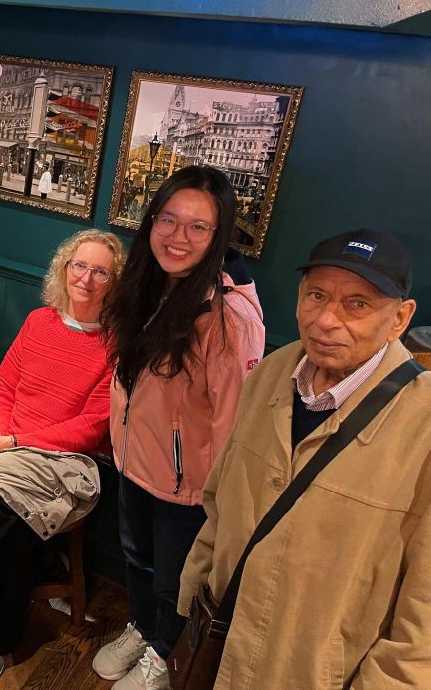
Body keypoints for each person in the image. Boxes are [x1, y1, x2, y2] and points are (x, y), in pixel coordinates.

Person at [179, 229, 429, 688]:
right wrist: (195, 588)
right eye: (317, 295)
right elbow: (221, 499)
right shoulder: (272, 372)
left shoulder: (424, 424)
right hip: (222, 641)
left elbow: (423, 620)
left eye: (357, 304)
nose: (326, 320)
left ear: (400, 318)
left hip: (311, 673)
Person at [92, 166, 265, 690]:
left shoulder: (230, 318)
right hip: (133, 463)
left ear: (219, 236)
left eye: (197, 226)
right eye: (168, 219)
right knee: (137, 561)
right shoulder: (145, 287)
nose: (178, 236)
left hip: (188, 490)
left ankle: (164, 656)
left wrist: (218, 502)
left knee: (176, 583)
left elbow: (235, 424)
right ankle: (143, 628)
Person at [0, 229, 125, 663]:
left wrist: (14, 443)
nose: (86, 279)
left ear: (115, 283)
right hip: (7, 447)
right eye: (79, 266)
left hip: (69, 461)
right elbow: (3, 387)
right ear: (64, 269)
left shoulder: (118, 345)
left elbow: (90, 428)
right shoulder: (40, 321)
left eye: (101, 272)